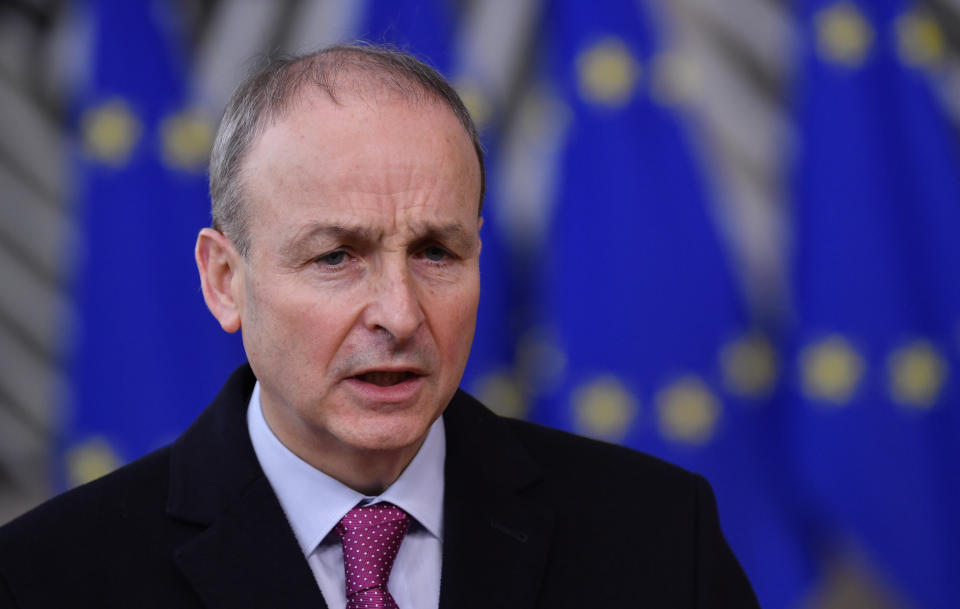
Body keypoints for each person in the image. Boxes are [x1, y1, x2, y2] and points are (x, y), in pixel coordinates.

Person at [0, 44, 760, 608]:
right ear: (224, 280)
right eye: (337, 256)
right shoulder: (48, 577)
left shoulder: (660, 536)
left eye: (435, 251)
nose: (399, 314)